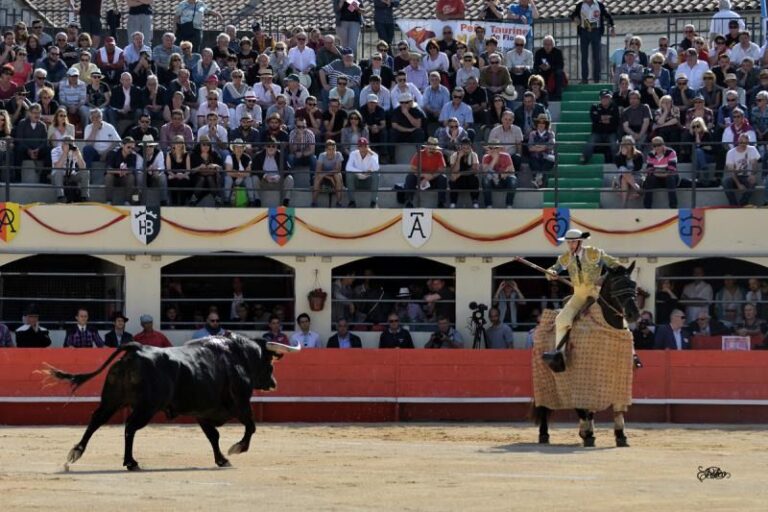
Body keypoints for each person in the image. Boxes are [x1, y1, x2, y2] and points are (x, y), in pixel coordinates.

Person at [546, 229, 620, 364]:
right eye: (569, 242)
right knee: (561, 319)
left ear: (580, 242)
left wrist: (603, 278)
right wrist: (551, 273)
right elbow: (553, 269)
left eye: (573, 242)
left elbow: (616, 265)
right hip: (579, 295)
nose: (571, 245)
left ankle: (631, 351)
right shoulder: (565, 258)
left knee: (616, 315)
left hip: (597, 293)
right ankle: (560, 353)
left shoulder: (594, 253)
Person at [570, 0, 615, 84]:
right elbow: (573, 15)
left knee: (596, 56)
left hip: (596, 31)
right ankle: (584, 79)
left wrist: (612, 26)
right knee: (584, 56)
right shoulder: (580, 5)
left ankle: (597, 79)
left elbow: (608, 16)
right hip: (584, 31)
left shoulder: (599, 5)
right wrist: (576, 20)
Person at [404, 137, 448, 208]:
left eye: (433, 148)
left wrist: (430, 177)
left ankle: (441, 203)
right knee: (410, 177)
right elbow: (413, 168)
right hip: (420, 178)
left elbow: (442, 169)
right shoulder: (420, 153)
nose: (432, 150)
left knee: (443, 178)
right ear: (426, 146)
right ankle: (409, 202)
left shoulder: (439, 154)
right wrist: (424, 175)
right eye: (430, 147)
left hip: (433, 179)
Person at [581, 89, 619, 165]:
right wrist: (608, 118)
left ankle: (617, 162)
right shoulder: (594, 107)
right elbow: (594, 119)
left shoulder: (615, 107)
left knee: (614, 145)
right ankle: (584, 159)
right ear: (600, 98)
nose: (605, 99)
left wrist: (600, 119)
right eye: (603, 97)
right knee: (590, 142)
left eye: (607, 97)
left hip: (611, 133)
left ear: (610, 98)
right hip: (597, 133)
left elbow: (615, 120)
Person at [723, 133, 760, 206]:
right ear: (738, 141)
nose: (743, 144)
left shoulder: (752, 149)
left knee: (752, 183)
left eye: (745, 142)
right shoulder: (730, 153)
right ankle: (733, 204)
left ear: (748, 142)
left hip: (747, 176)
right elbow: (731, 171)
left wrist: (752, 174)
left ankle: (742, 204)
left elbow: (755, 165)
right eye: (741, 142)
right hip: (735, 176)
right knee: (725, 182)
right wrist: (738, 184)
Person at [50, 135, 91, 203]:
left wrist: (78, 155)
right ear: (62, 144)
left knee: (86, 172)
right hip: (58, 176)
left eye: (71, 143)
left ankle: (84, 196)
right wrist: (65, 153)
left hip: (71, 175)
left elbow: (83, 167)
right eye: (67, 143)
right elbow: (57, 166)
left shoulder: (75, 150)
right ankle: (61, 196)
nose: (69, 145)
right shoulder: (55, 150)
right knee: (58, 172)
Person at [643, 136, 678, 209]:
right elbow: (649, 171)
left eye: (659, 145)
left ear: (663, 144)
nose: (657, 147)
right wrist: (662, 172)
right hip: (658, 179)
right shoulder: (650, 154)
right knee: (649, 179)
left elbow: (671, 170)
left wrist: (656, 172)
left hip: (670, 178)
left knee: (670, 178)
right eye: (654, 145)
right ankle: (647, 207)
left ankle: (673, 207)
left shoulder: (671, 152)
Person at [481, 139, 517, 208]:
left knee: (513, 179)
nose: (493, 150)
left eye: (495, 148)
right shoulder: (486, 157)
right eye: (491, 148)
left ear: (499, 149)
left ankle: (509, 205)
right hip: (492, 181)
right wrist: (494, 159)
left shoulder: (506, 156)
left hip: (503, 180)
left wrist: (506, 174)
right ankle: (489, 206)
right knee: (485, 180)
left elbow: (512, 170)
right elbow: (485, 172)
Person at [346, 137, 380, 208]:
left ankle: (373, 203)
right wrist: (361, 172)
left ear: (368, 146)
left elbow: (376, 168)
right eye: (360, 146)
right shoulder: (353, 154)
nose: (363, 148)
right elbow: (348, 167)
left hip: (368, 182)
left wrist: (371, 154)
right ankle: (352, 202)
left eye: (365, 146)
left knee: (376, 174)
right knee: (349, 174)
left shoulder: (374, 155)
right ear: (358, 147)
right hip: (356, 181)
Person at [613, 135, 644, 208]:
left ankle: (624, 205)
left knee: (624, 178)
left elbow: (638, 168)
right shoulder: (618, 156)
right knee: (622, 170)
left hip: (636, 176)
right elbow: (619, 167)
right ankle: (637, 188)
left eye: (628, 143)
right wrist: (623, 156)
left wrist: (629, 174)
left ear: (632, 145)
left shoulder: (638, 155)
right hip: (622, 176)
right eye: (624, 143)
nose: (626, 145)